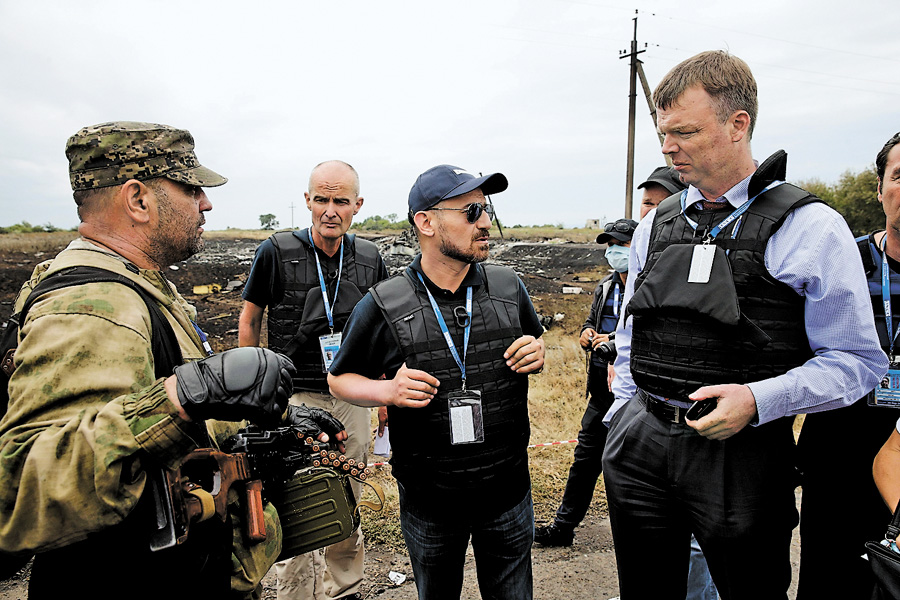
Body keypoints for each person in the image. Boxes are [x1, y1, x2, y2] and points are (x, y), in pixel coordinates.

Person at [0, 121, 347, 600]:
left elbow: (162, 425)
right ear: (138, 200)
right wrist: (182, 396)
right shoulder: (90, 303)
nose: (206, 203)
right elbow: (19, 494)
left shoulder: (144, 285)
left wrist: (254, 426)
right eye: (190, 188)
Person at [601, 51, 888, 599]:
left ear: (739, 125)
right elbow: (632, 335)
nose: (668, 148)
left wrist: (759, 400)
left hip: (743, 455)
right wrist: (624, 418)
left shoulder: (810, 229)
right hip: (642, 444)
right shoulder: (654, 226)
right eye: (664, 133)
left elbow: (859, 362)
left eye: (685, 131)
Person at [327, 164, 546, 600]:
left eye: (486, 209)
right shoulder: (385, 304)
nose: (484, 222)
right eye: (470, 211)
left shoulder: (508, 286)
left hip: (507, 491)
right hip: (431, 499)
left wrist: (537, 353)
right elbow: (339, 380)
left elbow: (533, 340)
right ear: (425, 222)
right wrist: (386, 392)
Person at [239, 160, 388, 600]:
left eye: (340, 201)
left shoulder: (369, 257)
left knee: (348, 504)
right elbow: (250, 319)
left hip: (353, 397)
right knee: (294, 507)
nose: (330, 209)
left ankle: (343, 592)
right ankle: (294, 595)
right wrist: (254, 391)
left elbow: (379, 330)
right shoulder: (276, 251)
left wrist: (381, 396)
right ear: (307, 201)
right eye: (321, 199)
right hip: (292, 398)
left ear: (357, 205)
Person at [798, 131, 900, 599]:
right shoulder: (843, 260)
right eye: (899, 176)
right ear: (879, 189)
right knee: (831, 582)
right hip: (837, 453)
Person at [533, 218, 637, 548]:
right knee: (585, 460)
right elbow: (590, 323)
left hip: (634, 393)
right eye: (610, 246)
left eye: (621, 245)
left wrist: (618, 341)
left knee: (629, 467)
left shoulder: (647, 285)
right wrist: (587, 334)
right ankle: (563, 527)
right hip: (601, 389)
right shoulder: (606, 286)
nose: (614, 252)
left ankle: (637, 536)